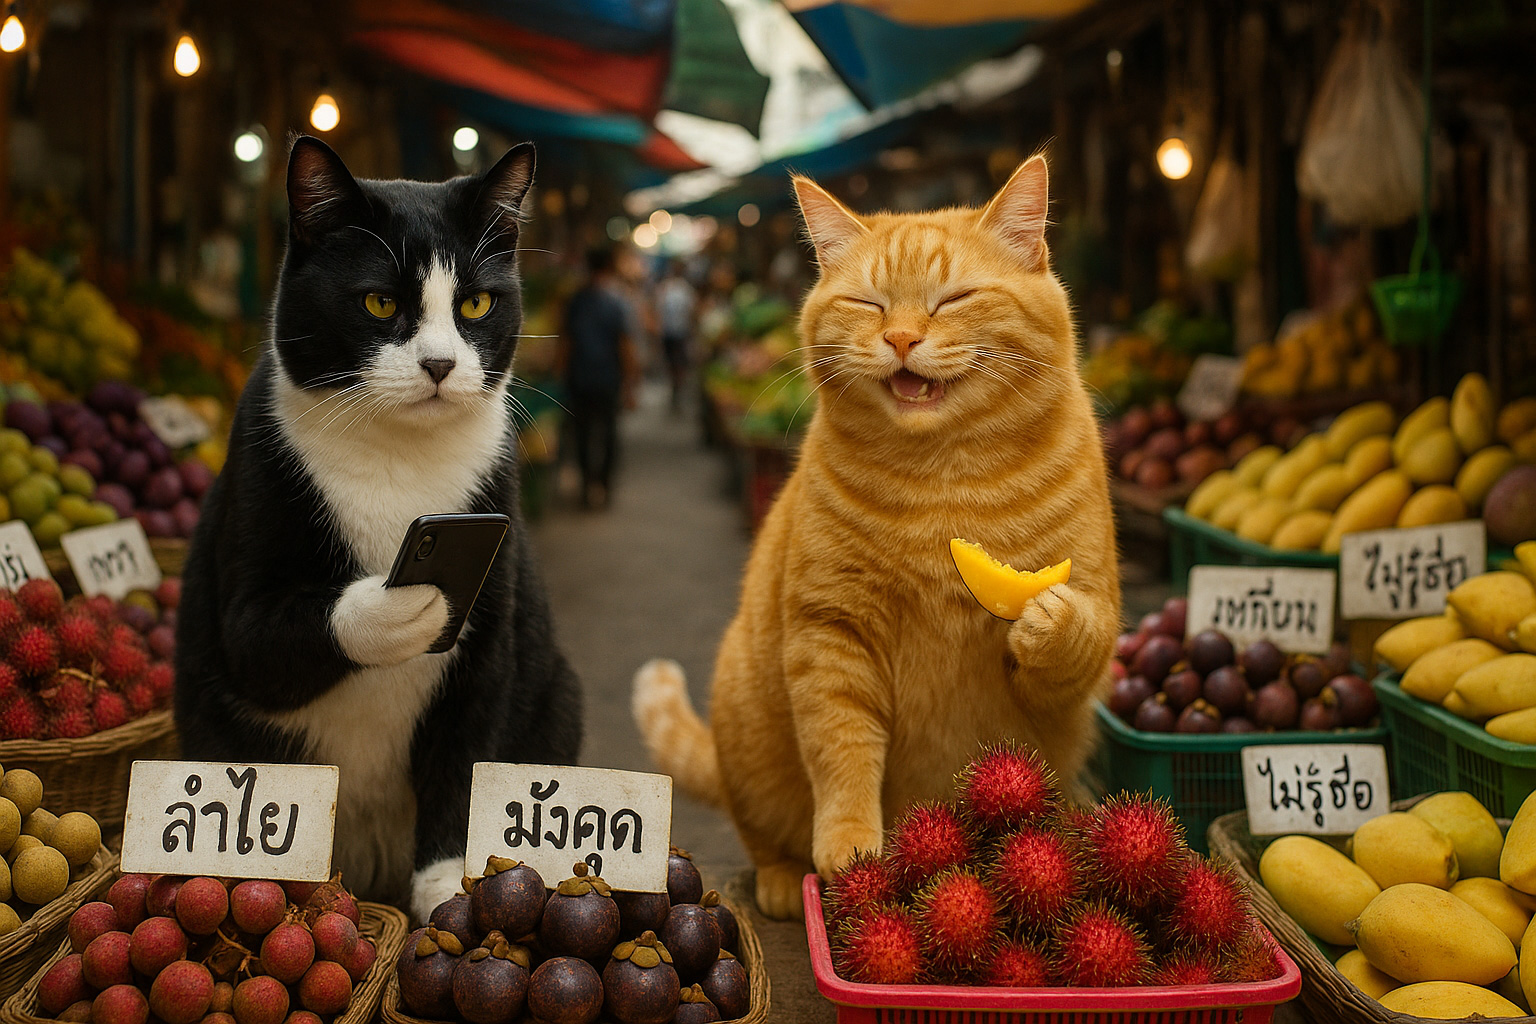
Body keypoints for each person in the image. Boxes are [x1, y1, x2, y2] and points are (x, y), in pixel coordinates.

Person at [563, 247, 635, 509]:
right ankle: (603, 485)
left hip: (579, 379)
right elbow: (625, 347)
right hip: (607, 380)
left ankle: (587, 485)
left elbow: (566, 344)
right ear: (609, 269)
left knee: (582, 434)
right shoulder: (616, 303)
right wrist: (630, 385)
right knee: (609, 434)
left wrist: (560, 375)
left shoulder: (576, 301)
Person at [655, 260, 698, 412]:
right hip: (678, 333)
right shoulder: (685, 290)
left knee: (674, 363)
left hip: (672, 333)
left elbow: (657, 310)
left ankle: (676, 390)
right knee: (678, 364)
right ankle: (676, 389)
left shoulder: (667, 287)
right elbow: (693, 313)